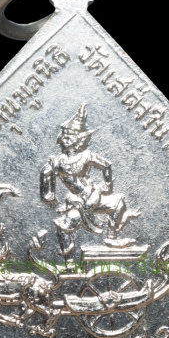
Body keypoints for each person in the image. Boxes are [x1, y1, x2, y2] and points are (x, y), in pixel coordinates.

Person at [40, 103, 140, 258]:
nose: (62, 140)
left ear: (77, 139)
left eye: (67, 137)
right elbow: (45, 175)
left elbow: (106, 165)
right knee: (68, 223)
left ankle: (112, 238)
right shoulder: (58, 161)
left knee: (118, 203)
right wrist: (49, 195)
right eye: (63, 137)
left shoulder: (86, 155)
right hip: (76, 201)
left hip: (93, 195)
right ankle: (68, 260)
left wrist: (107, 185)